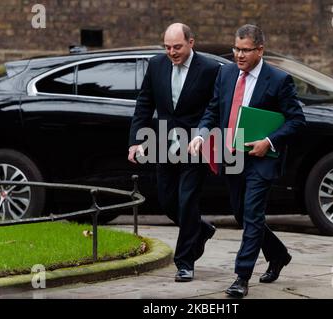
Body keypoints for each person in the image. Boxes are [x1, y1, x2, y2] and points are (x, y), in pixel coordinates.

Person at [189, 24, 306, 297]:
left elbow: (297, 120)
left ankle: (241, 277)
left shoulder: (278, 80)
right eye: (236, 49)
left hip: (262, 158)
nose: (238, 55)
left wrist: (270, 142)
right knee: (242, 215)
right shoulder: (226, 73)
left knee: (252, 215)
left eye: (245, 50)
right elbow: (213, 108)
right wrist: (202, 133)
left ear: (259, 50)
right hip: (233, 155)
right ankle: (278, 255)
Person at [128, 23, 220, 282]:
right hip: (164, 143)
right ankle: (200, 230)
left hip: (195, 145)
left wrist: (203, 134)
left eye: (177, 46)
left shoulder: (210, 70)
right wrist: (136, 140)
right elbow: (144, 103)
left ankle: (185, 262)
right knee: (168, 201)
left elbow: (215, 107)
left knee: (187, 200)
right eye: (167, 47)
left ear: (192, 42)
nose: (171, 52)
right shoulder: (156, 65)